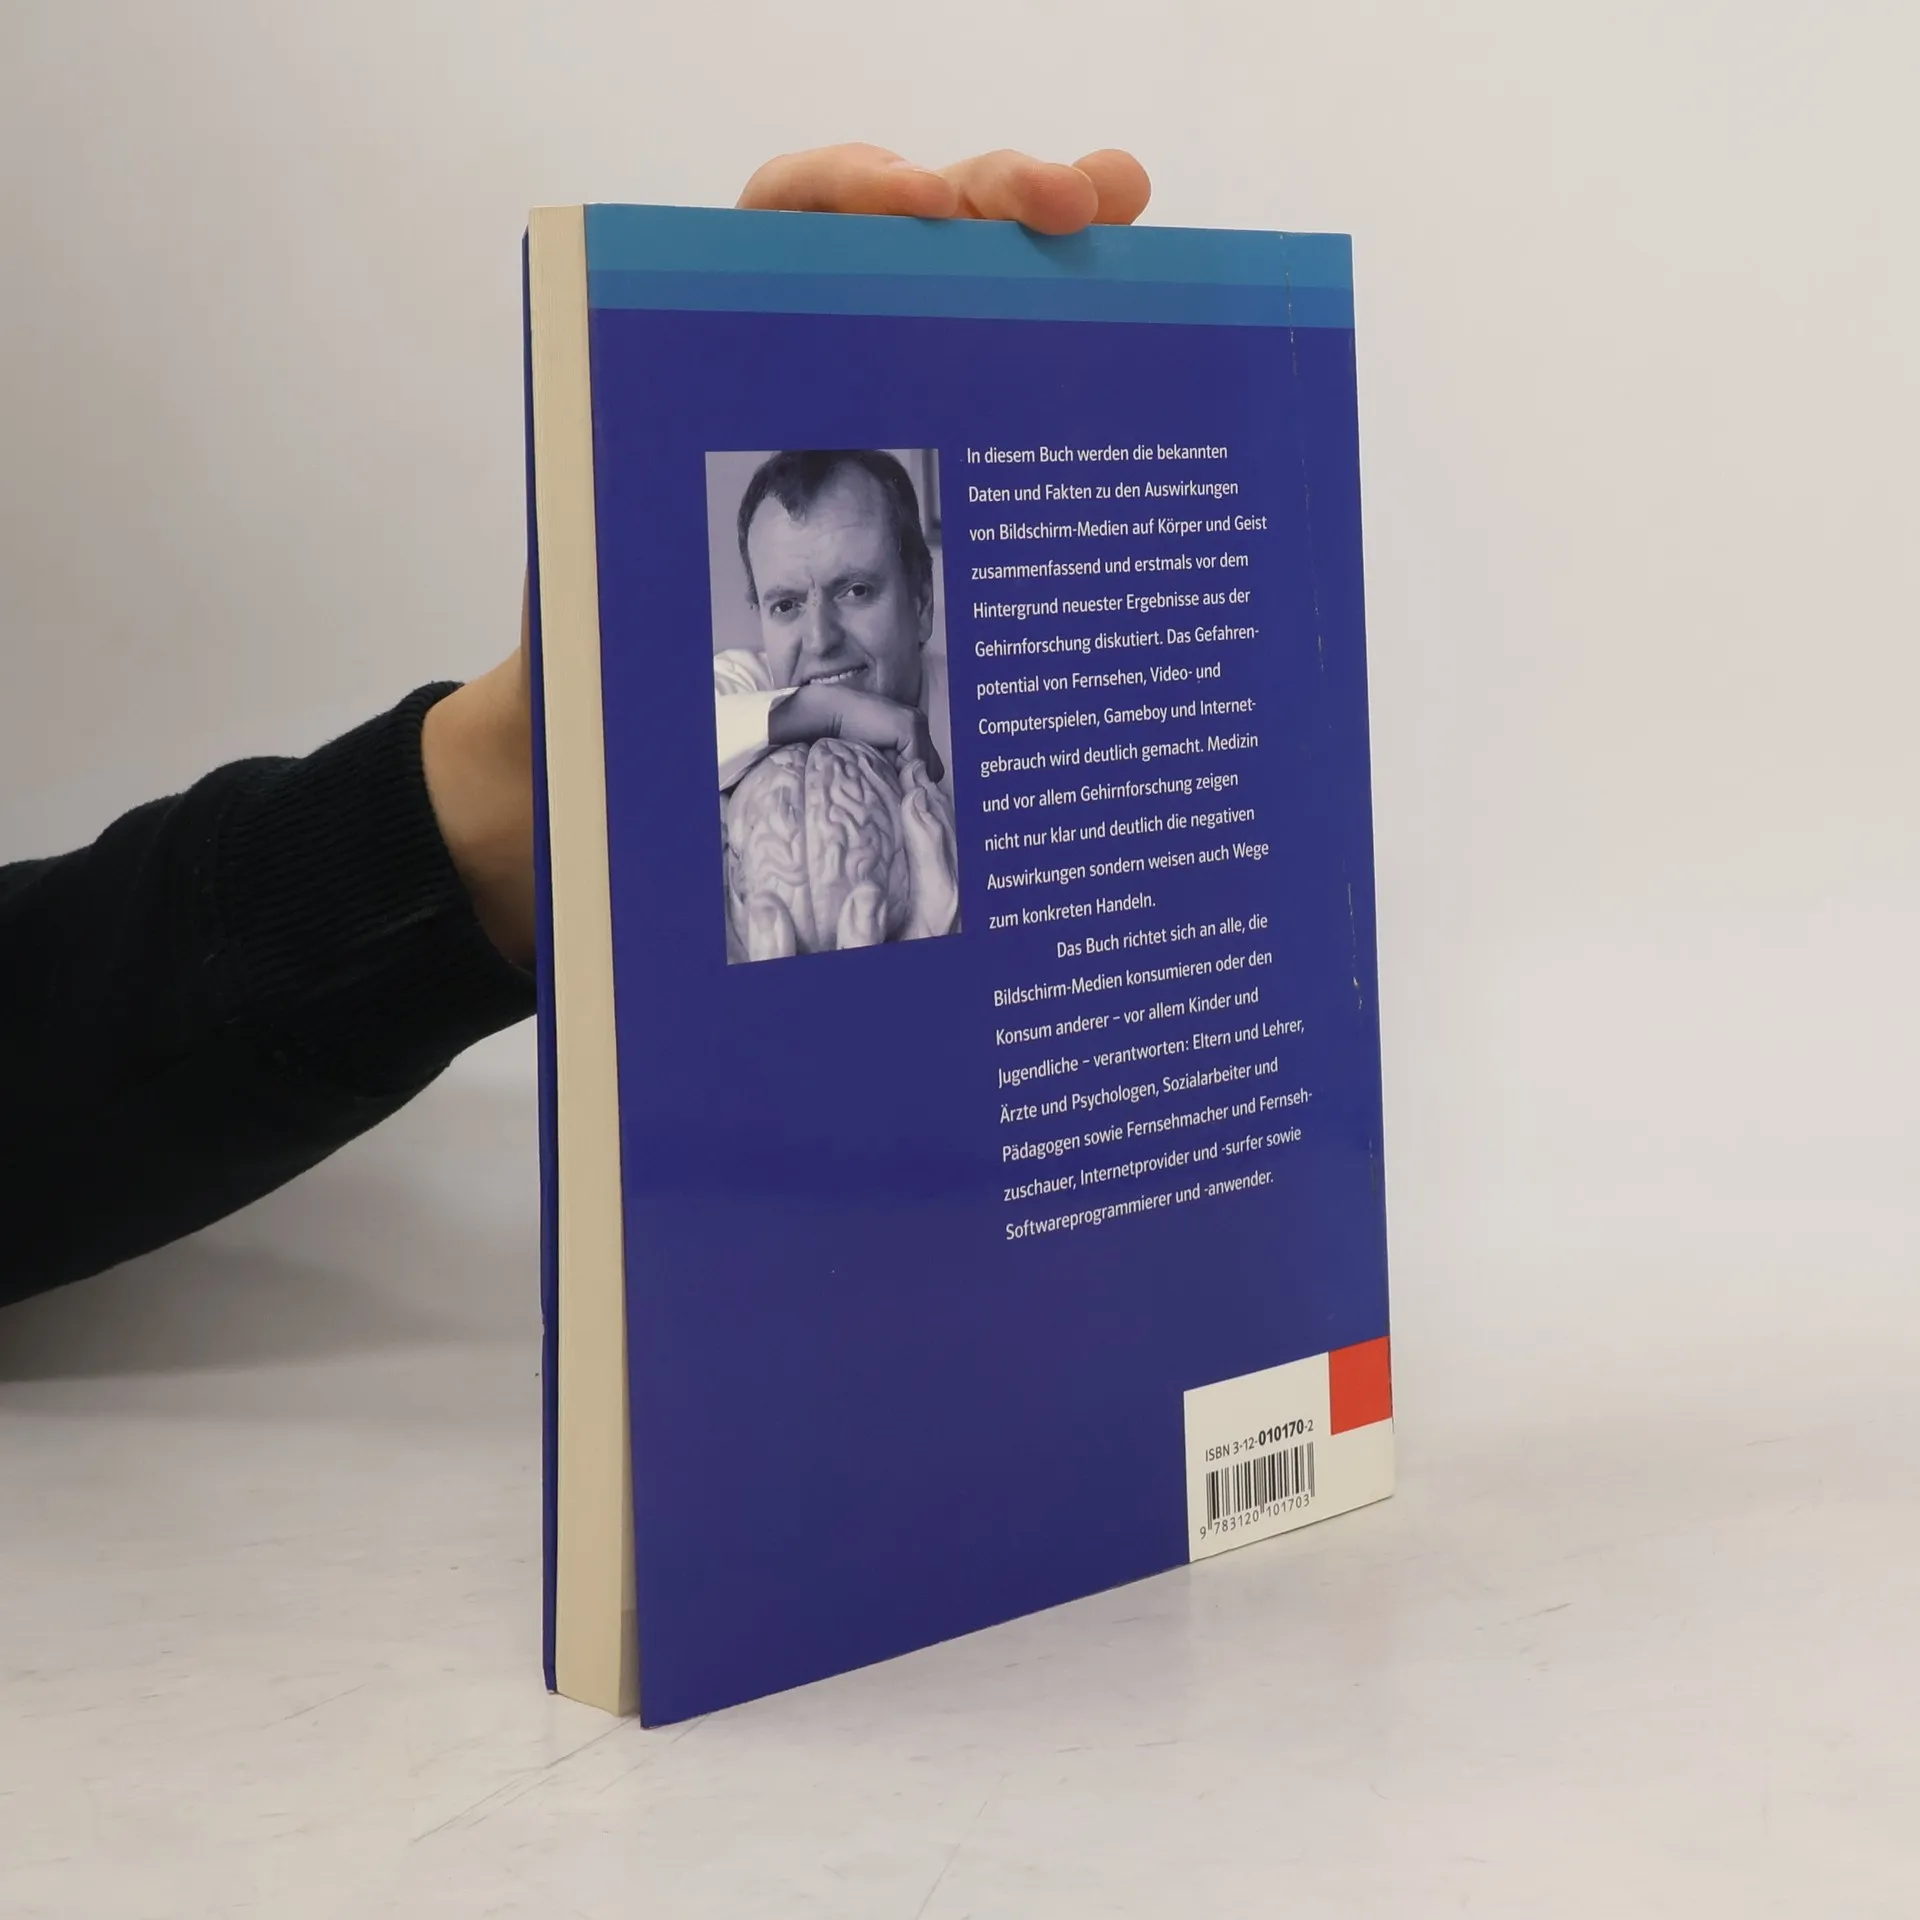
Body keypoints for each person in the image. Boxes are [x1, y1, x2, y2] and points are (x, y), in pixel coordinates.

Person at [0, 143, 1151, 1305]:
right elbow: (658, 735)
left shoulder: (1010, 738)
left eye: (857, 590)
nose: (821, 636)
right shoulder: (733, 693)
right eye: (786, 603)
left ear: (925, 598)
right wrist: (799, 715)